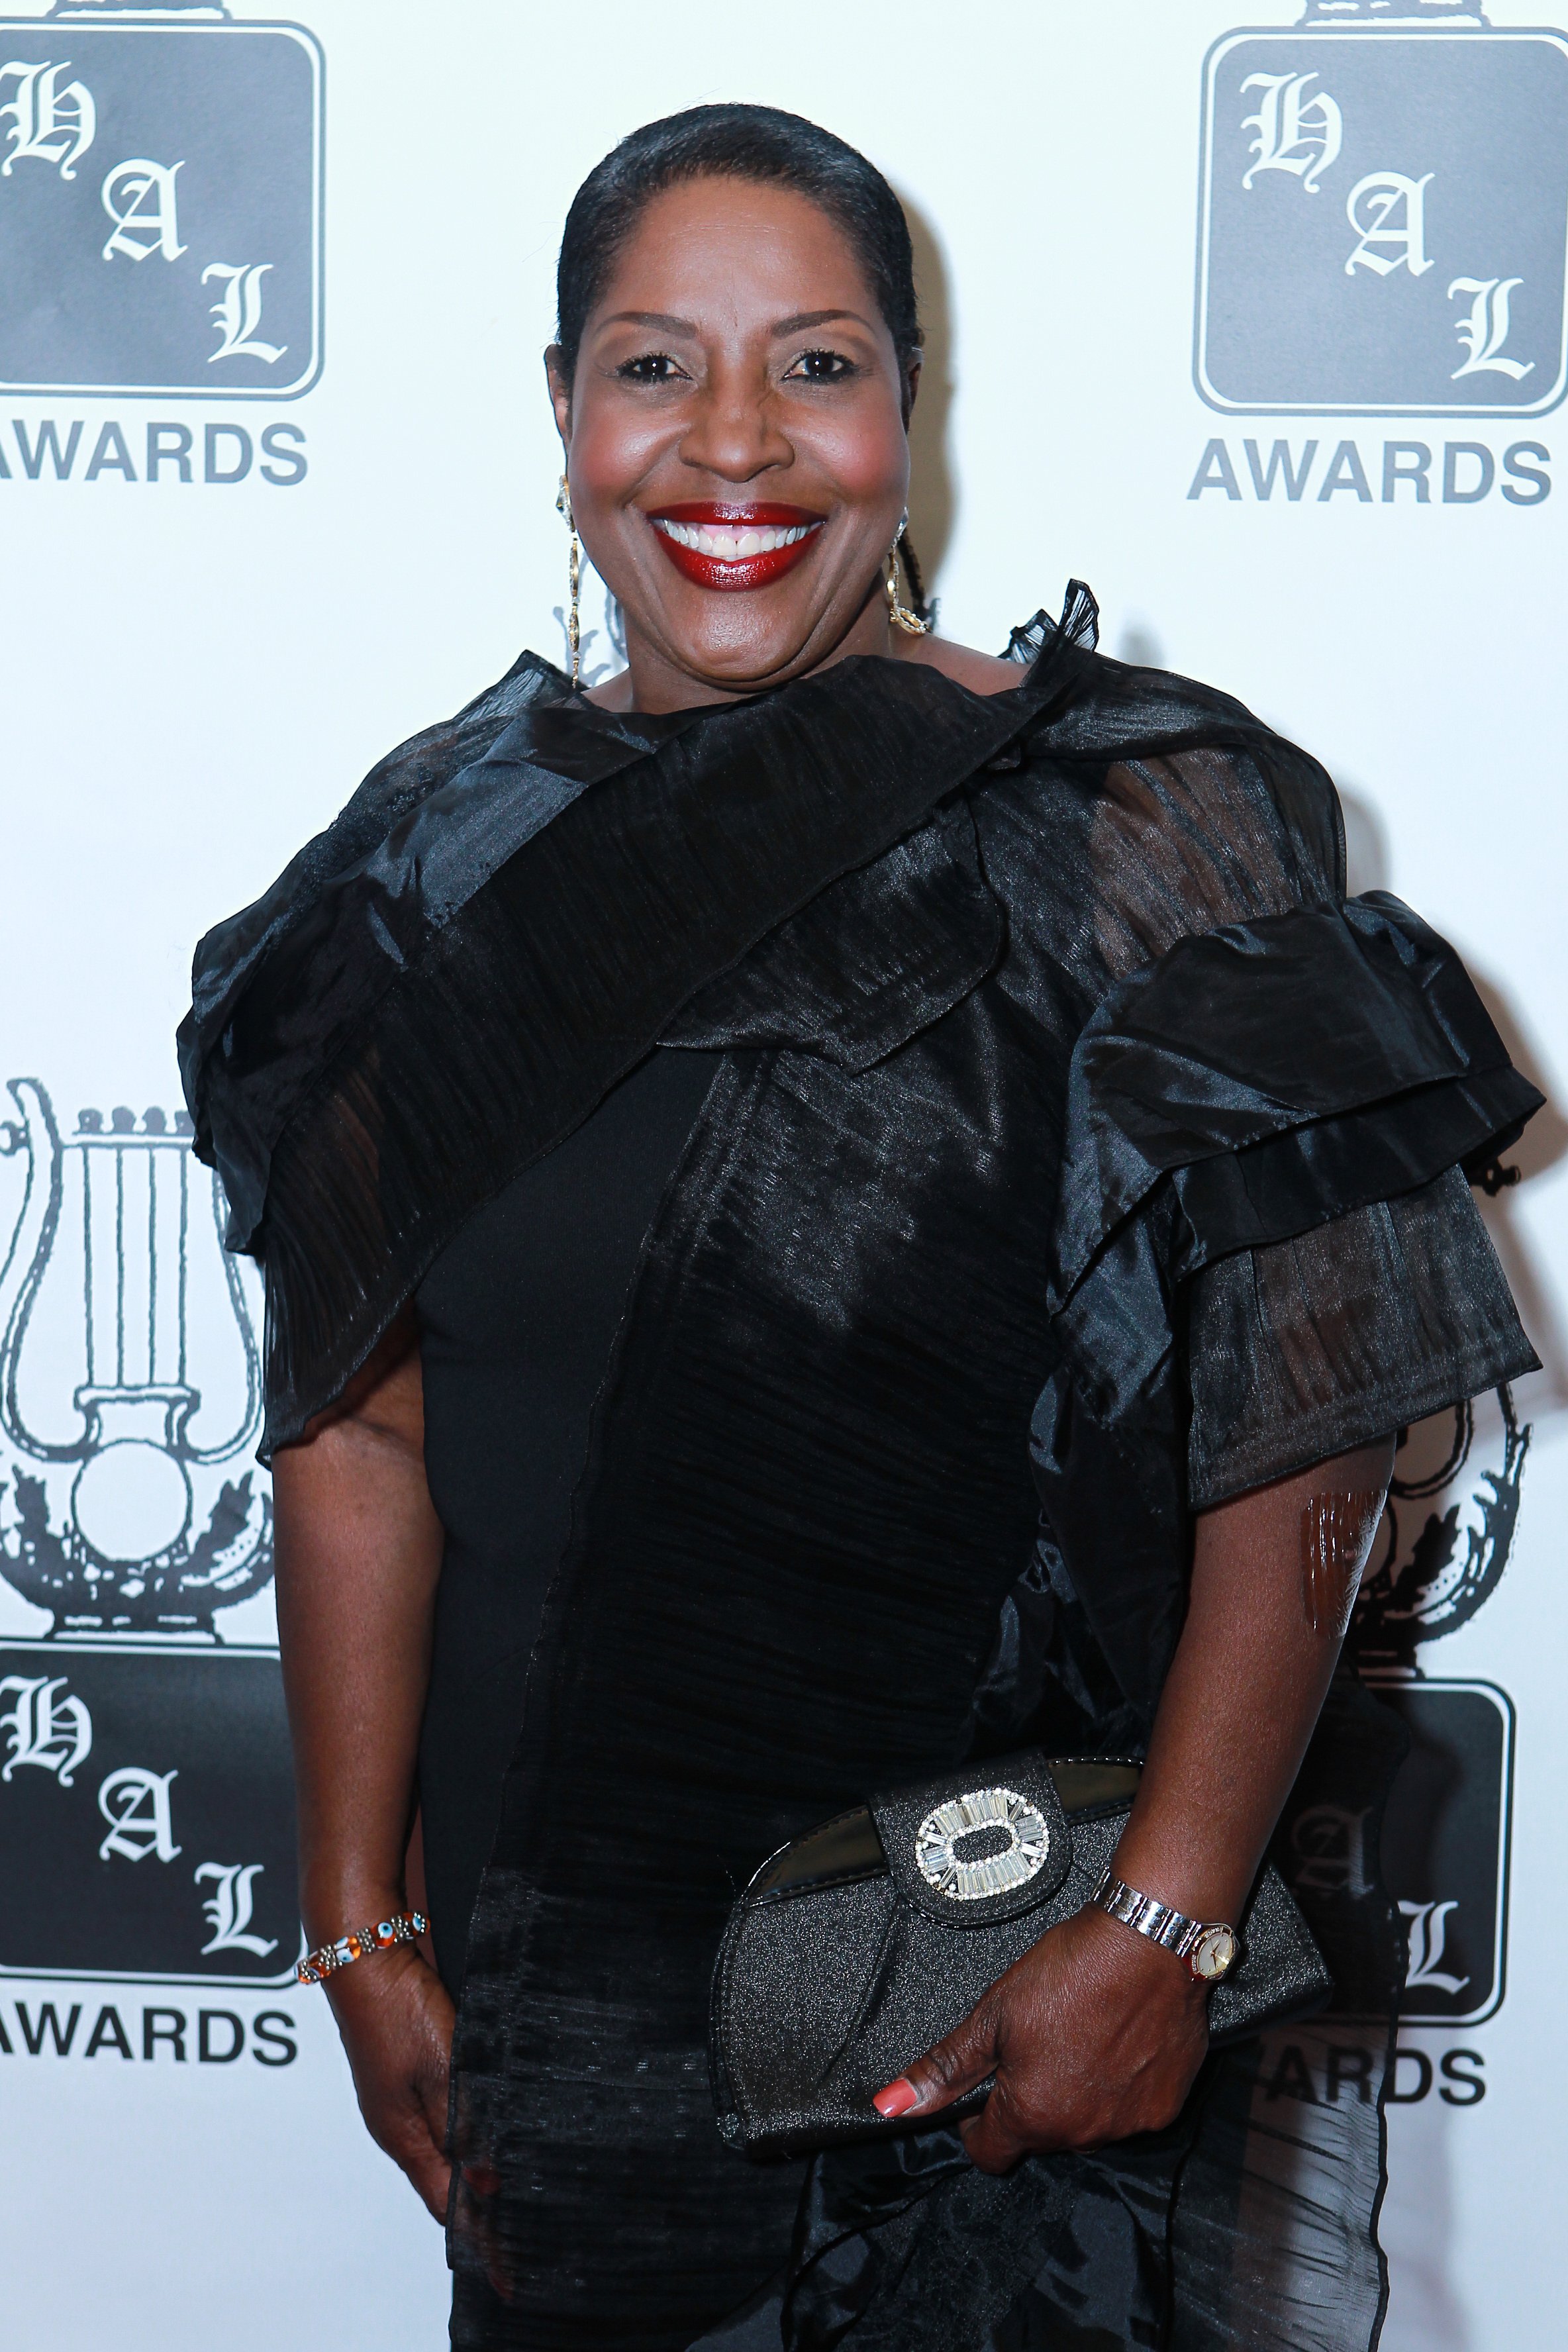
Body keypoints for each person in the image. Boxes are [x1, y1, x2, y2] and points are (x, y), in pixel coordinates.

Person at [179, 104, 1541, 2352]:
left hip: (986, 2010)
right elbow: (359, 1422)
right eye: (653, 367)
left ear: (910, 413)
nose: (734, 444)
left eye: (815, 366)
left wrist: (1167, 1929)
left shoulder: (1134, 815)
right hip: (563, 2019)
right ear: (559, 411)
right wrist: (353, 1918)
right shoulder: (422, 866)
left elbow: (1312, 1417)